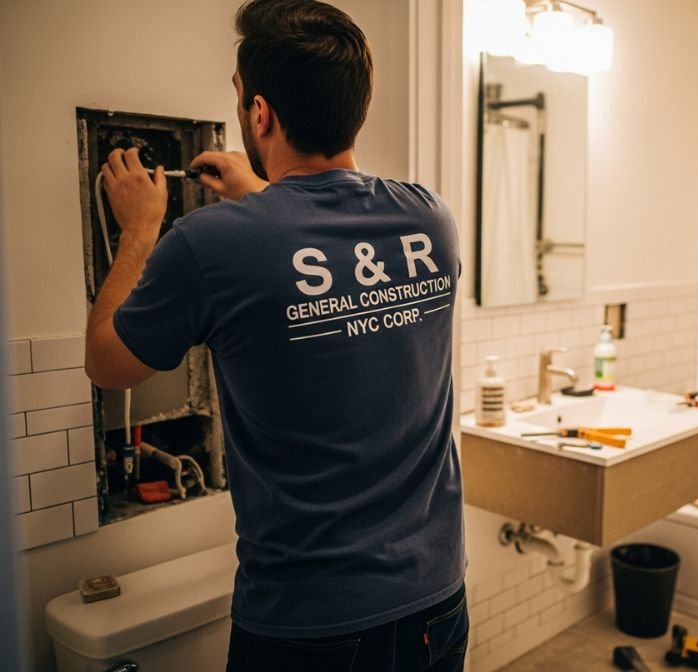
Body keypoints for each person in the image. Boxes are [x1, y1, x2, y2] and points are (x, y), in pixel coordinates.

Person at [84, 1, 467, 669]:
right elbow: (326, 251)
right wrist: (260, 190)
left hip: (309, 625)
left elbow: (107, 363)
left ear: (259, 113)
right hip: (437, 600)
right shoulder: (429, 218)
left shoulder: (206, 245)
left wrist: (140, 230)